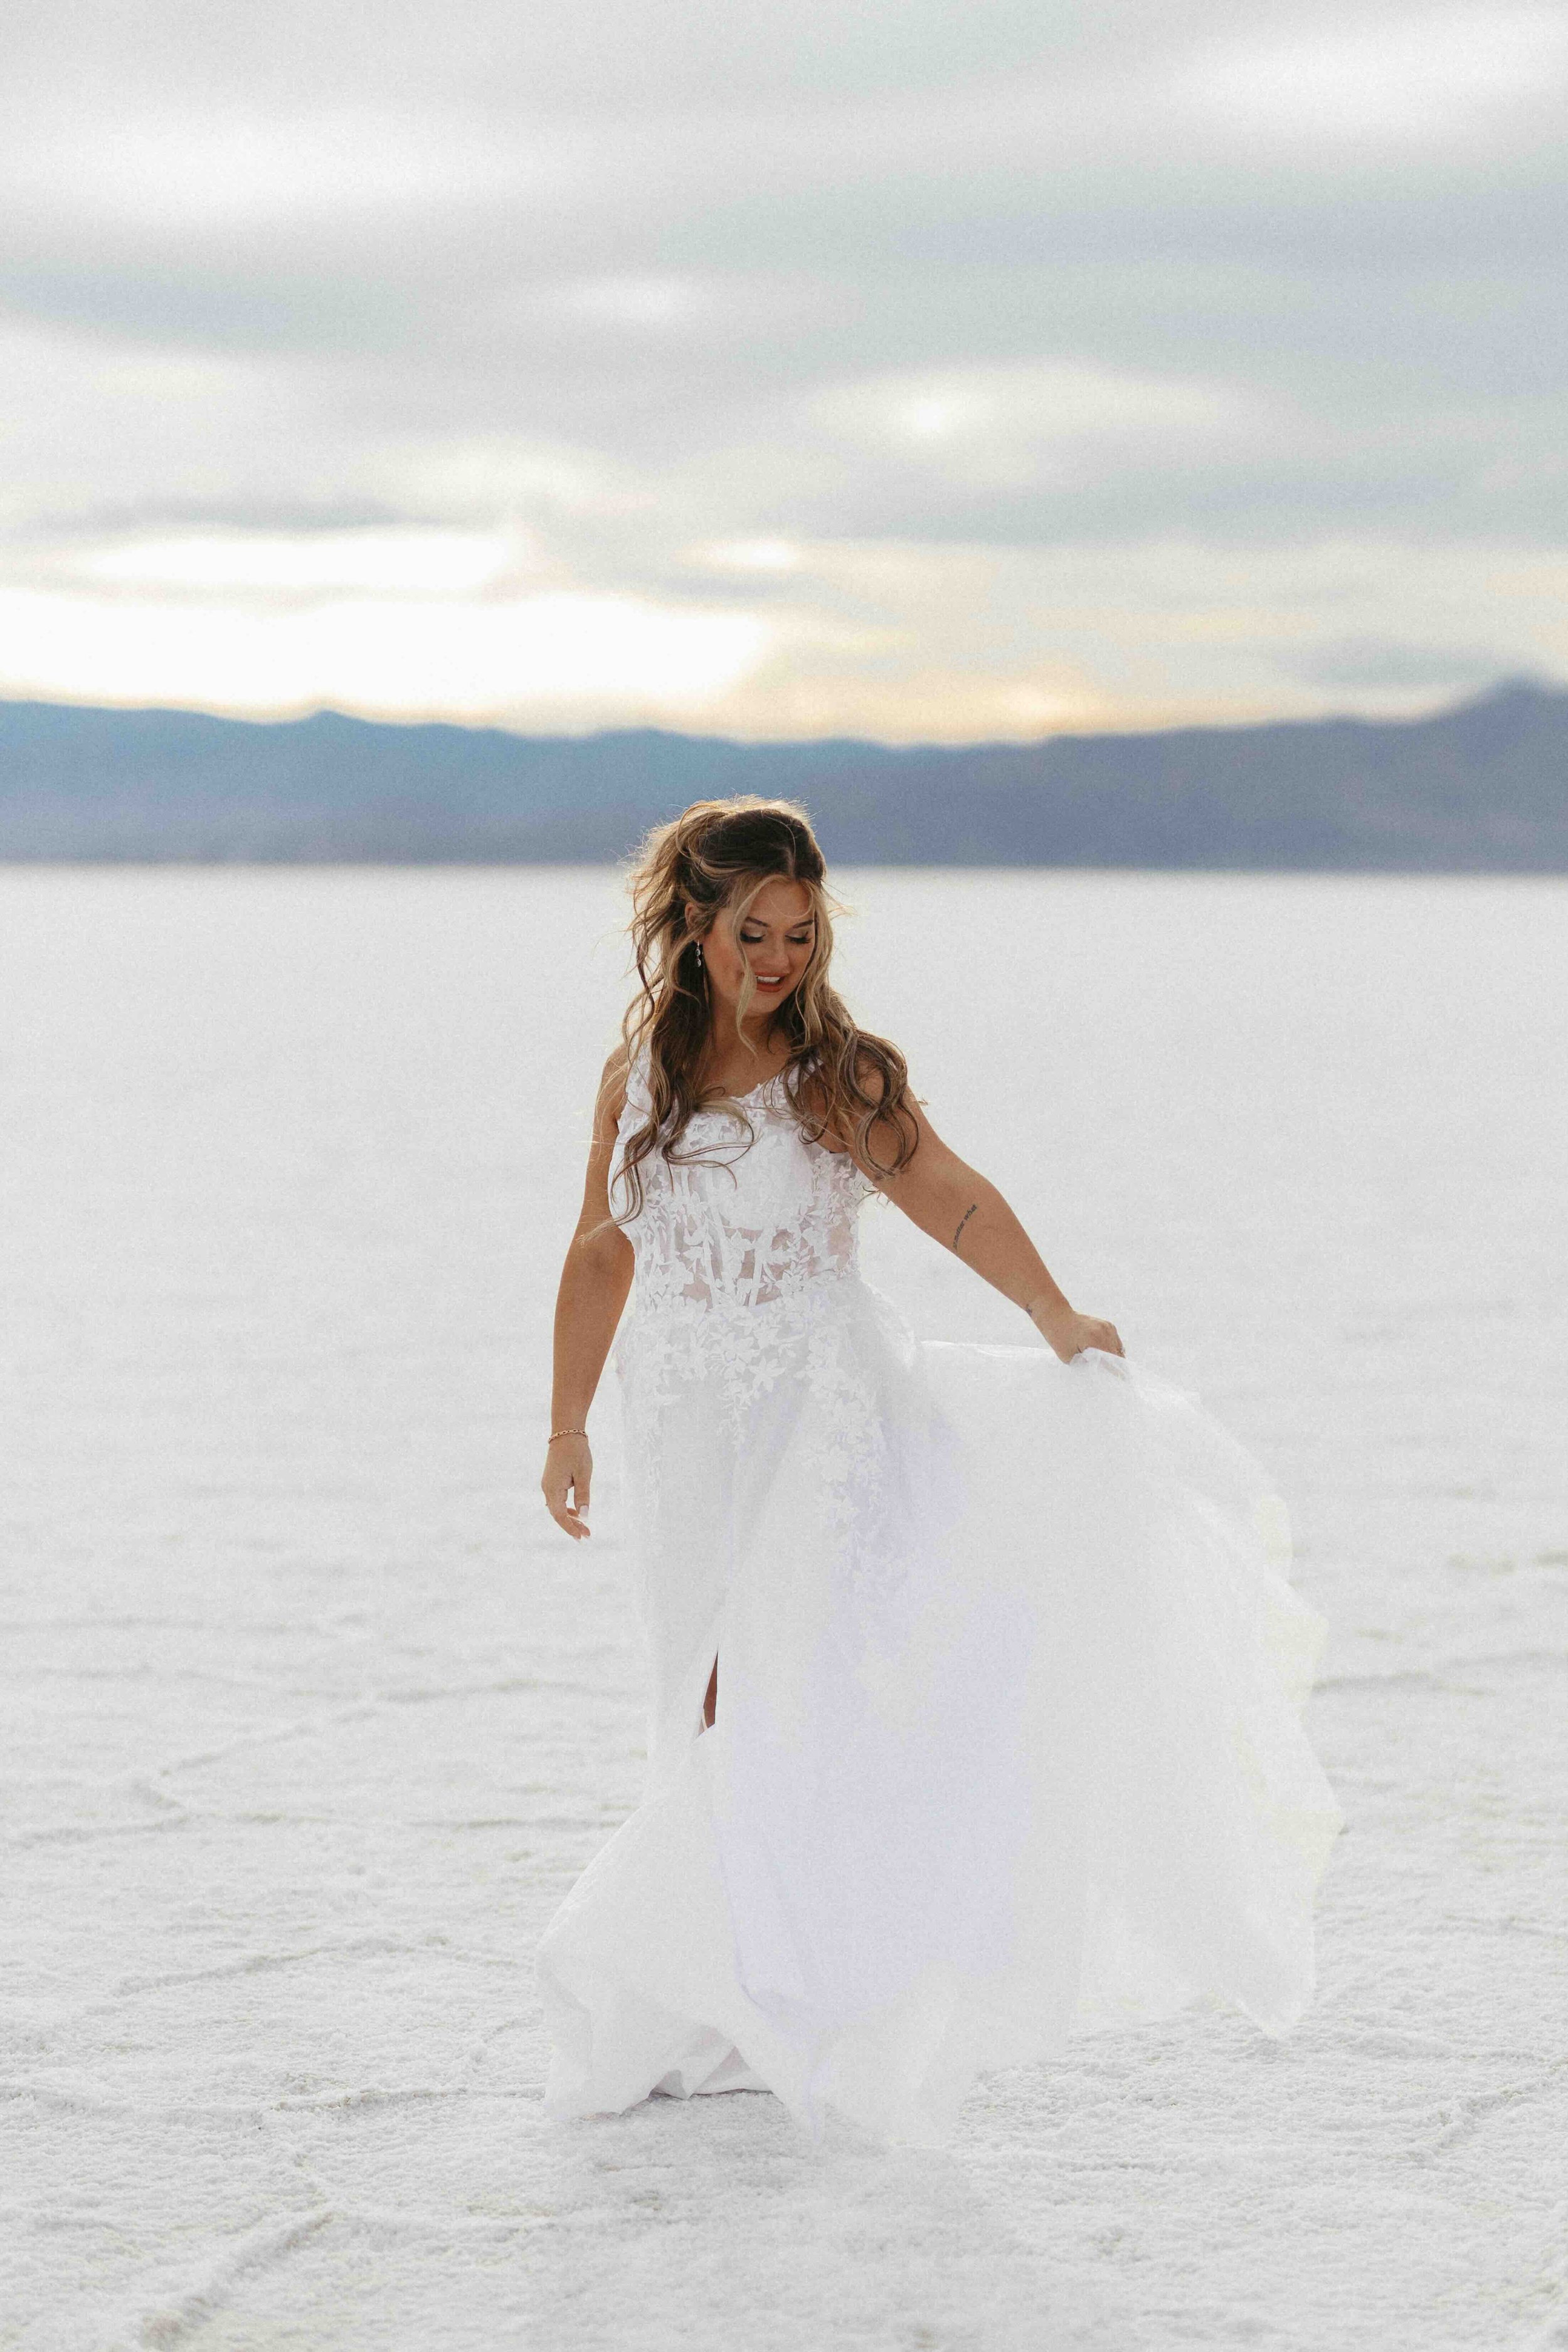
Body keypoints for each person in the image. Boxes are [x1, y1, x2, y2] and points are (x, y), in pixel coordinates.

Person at [536, 797, 1341, 2147]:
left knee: (764, 1692)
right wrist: (565, 1424)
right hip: (684, 1430)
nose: (781, 958)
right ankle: (739, 1989)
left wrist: (1055, 1316)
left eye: (799, 932)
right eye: (753, 932)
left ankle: (751, 1988)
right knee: (696, 1696)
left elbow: (947, 1193)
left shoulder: (832, 1076)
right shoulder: (642, 1078)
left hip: (819, 1424)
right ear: (692, 921)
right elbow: (598, 1249)